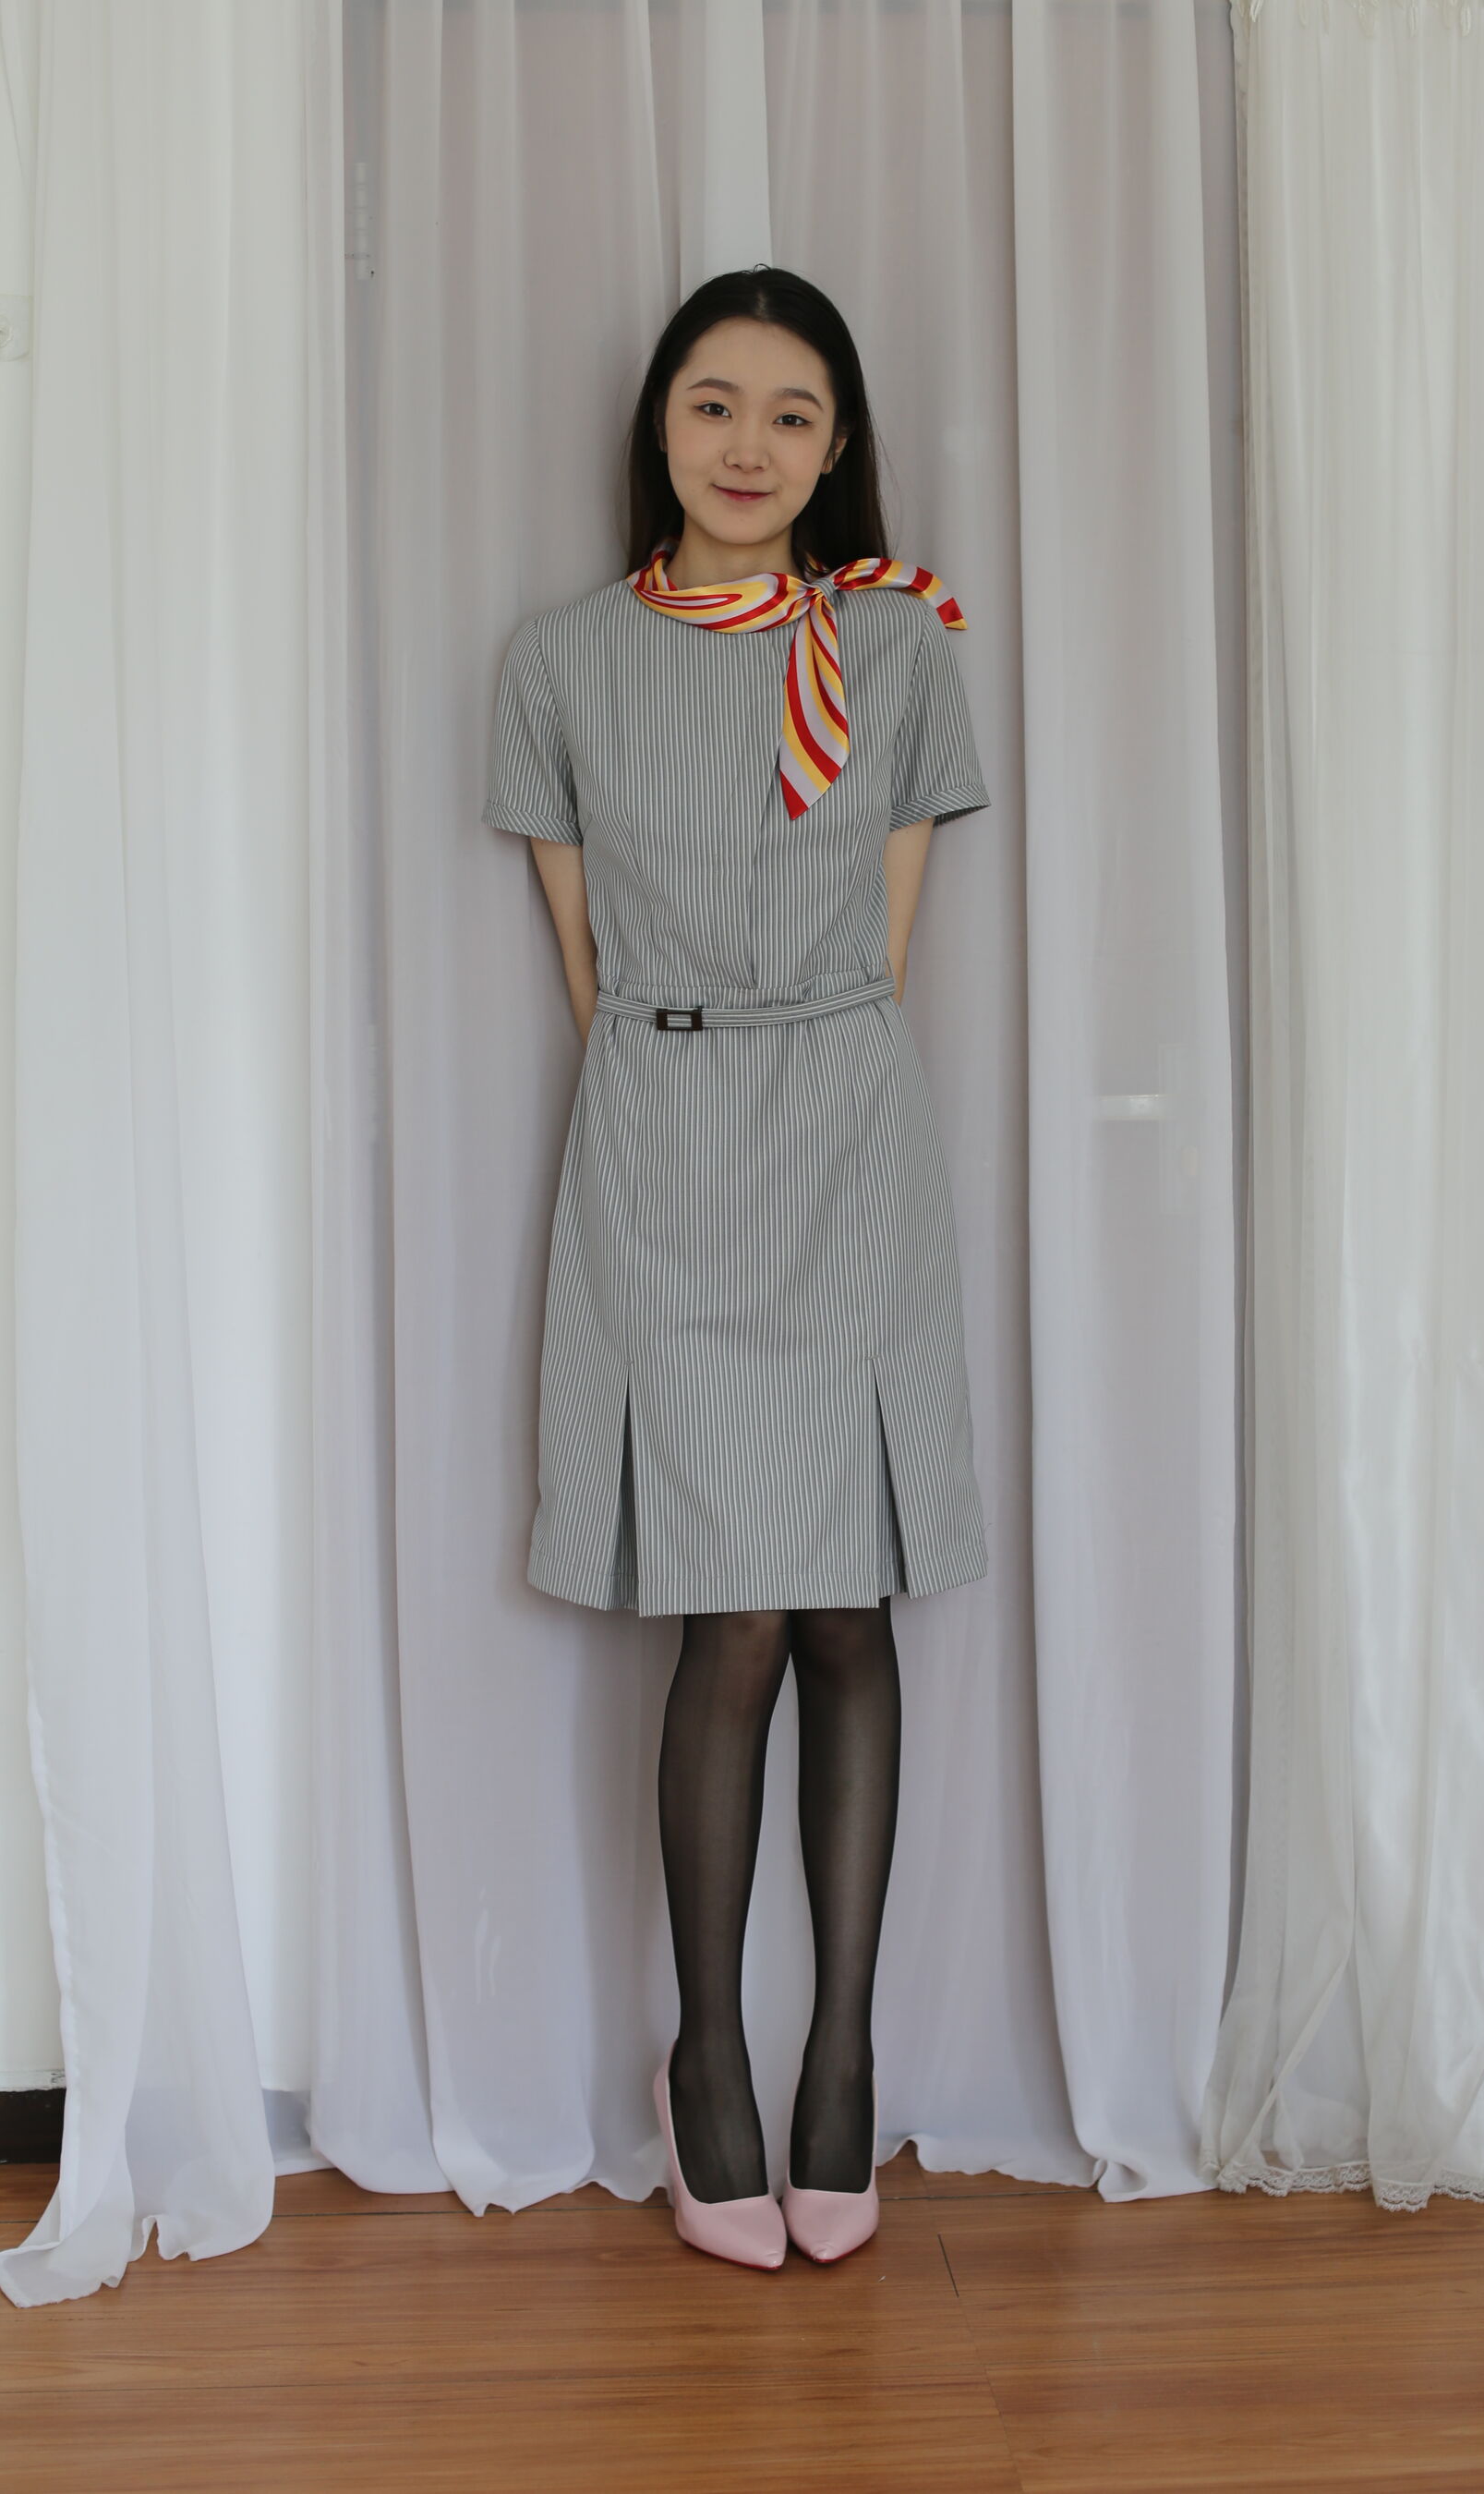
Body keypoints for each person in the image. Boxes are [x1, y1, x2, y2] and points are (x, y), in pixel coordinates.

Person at [482, 266, 991, 2270]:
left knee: (850, 1600)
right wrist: (684, 1096)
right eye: (714, 404)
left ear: (839, 440)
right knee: (740, 1613)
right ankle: (708, 2061)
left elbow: (893, 935)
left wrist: (803, 1068)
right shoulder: (558, 661)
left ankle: (840, 2058)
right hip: (662, 1136)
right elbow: (581, 957)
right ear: (660, 425)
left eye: (793, 412)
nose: (750, 446)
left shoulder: (899, 643)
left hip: (848, 1129)